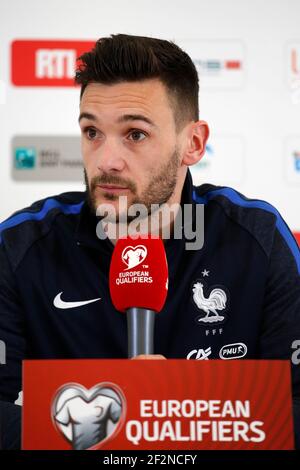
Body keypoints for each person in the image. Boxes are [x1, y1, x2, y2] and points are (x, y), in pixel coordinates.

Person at [0, 34, 299, 449]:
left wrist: (180, 413)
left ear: (192, 144)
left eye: (135, 135)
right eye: (92, 132)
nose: (106, 160)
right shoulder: (20, 245)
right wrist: (122, 426)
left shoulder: (257, 239)